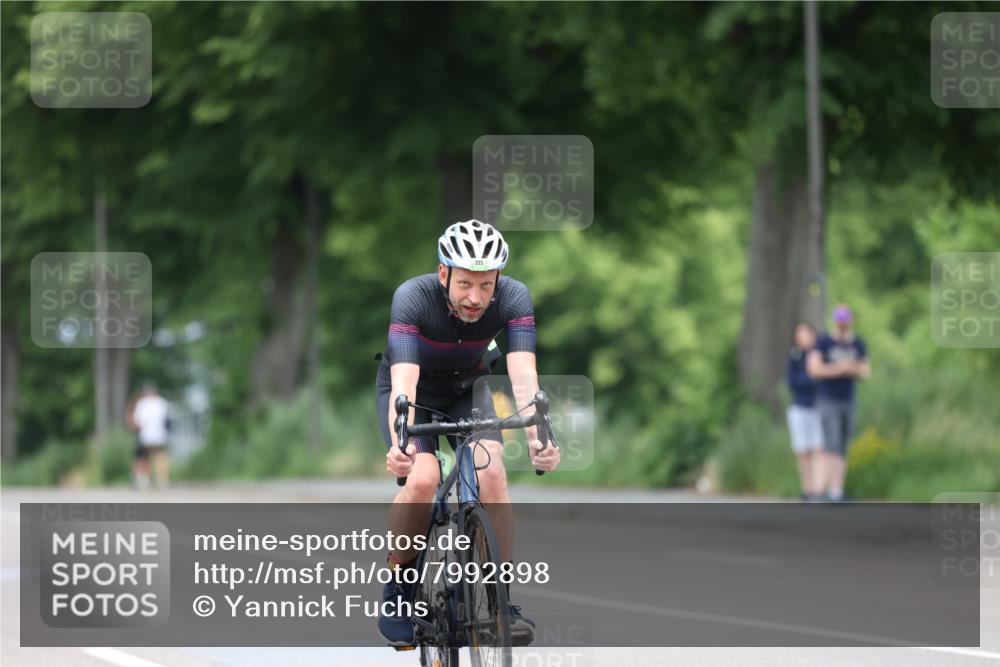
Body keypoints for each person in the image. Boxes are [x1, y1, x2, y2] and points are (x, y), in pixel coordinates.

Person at [375, 219, 560, 647]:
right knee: (422, 479)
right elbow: (403, 380)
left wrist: (538, 434)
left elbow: (523, 374)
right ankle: (399, 590)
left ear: (497, 279)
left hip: (467, 389)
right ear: (444, 274)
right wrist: (402, 444)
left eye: (485, 284)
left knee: (492, 475)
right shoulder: (413, 298)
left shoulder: (514, 298)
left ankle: (500, 603)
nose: (475, 298)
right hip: (412, 392)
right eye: (464, 284)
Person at [807, 304, 870, 502]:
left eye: (845, 320)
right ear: (835, 321)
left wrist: (853, 370)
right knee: (831, 444)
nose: (843, 324)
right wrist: (840, 368)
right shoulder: (824, 342)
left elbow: (866, 371)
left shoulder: (857, 343)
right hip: (828, 399)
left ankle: (837, 490)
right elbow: (814, 369)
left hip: (848, 399)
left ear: (850, 320)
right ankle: (827, 489)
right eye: (840, 320)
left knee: (843, 445)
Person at [786, 322, 823, 501]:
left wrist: (810, 378)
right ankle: (807, 489)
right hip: (799, 407)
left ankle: (817, 489)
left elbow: (820, 380)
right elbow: (792, 382)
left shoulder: (818, 354)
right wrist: (810, 377)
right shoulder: (795, 356)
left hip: (817, 407)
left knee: (817, 449)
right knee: (803, 450)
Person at [131, 382, 171, 489]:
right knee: (160, 457)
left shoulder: (142, 403)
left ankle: (143, 480)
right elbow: (167, 421)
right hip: (160, 435)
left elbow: (137, 422)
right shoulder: (162, 403)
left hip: (146, 436)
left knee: (143, 457)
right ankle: (162, 480)